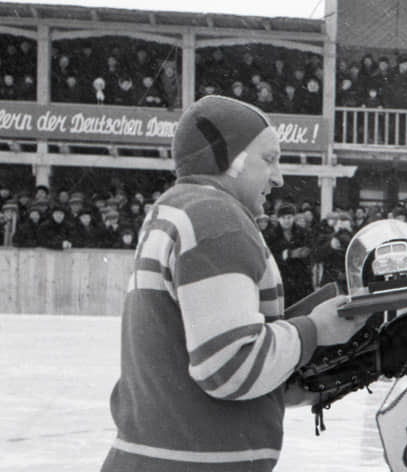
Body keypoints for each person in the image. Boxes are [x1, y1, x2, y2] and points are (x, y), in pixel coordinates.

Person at [101, 95, 368, 471]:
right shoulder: (215, 219)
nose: (279, 177)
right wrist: (314, 330)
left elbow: (197, 364)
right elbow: (229, 368)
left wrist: (312, 367)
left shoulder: (178, 209)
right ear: (226, 159)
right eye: (269, 159)